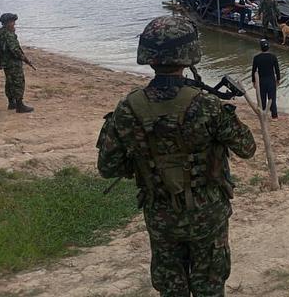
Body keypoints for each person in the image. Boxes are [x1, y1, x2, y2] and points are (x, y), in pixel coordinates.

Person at [96, 16, 256, 296]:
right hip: (207, 212)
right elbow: (247, 148)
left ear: (148, 56)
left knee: (171, 287)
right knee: (209, 285)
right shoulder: (207, 105)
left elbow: (109, 167)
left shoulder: (128, 108)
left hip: (160, 212)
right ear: (188, 56)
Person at [0, 13, 34, 113]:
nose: (14, 24)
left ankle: (11, 103)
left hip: (4, 62)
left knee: (9, 81)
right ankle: (20, 105)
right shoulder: (9, 34)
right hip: (12, 62)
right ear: (8, 23)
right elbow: (15, 50)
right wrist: (25, 59)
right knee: (18, 82)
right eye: (12, 22)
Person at [251, 38, 281, 119]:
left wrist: (253, 81)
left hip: (261, 81)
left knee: (262, 99)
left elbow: (254, 70)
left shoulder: (256, 58)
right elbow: (277, 70)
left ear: (260, 48)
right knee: (272, 99)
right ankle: (274, 116)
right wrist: (278, 79)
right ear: (269, 47)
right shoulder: (273, 57)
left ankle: (263, 114)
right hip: (271, 80)